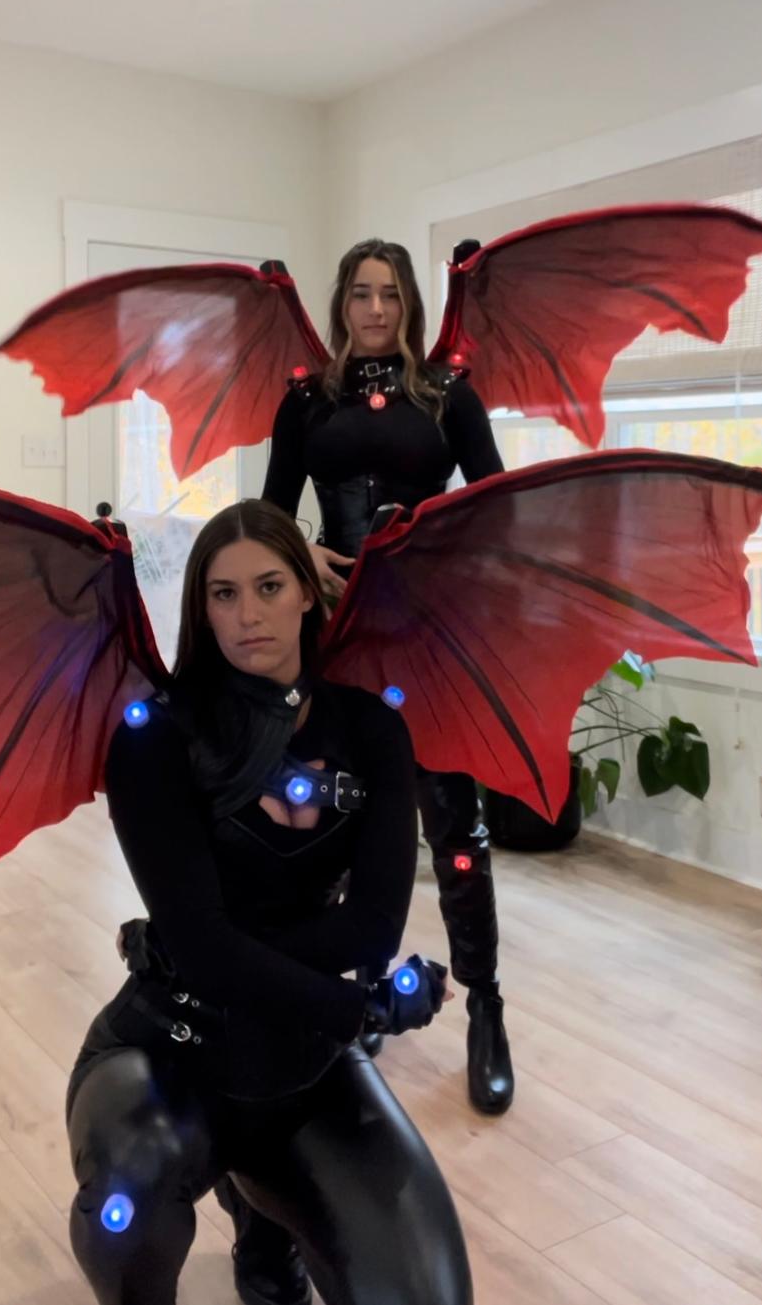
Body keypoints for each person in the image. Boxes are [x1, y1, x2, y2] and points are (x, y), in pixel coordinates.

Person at [67, 498, 473, 1305]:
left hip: (305, 1064)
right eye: (222, 594)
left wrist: (250, 966)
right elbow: (207, 949)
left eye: (268, 585)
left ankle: (265, 1221)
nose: (247, 614)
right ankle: (242, 1214)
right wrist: (354, 1007)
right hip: (167, 1051)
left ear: (309, 593)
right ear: (200, 608)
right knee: (129, 1206)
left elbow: (372, 926)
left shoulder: (372, 731)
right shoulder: (154, 736)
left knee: (427, 1290)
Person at [262, 237, 513, 1117]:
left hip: (423, 628)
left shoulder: (449, 396)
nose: (375, 309)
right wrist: (309, 559)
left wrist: (434, 544)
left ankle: (484, 1008)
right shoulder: (306, 400)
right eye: (360, 294)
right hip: (337, 634)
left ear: (410, 305)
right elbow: (269, 510)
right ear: (340, 306)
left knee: (451, 817)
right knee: (339, 817)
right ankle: (357, 994)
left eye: (390, 296)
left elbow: (497, 507)